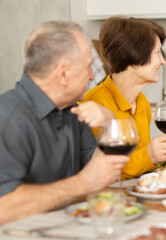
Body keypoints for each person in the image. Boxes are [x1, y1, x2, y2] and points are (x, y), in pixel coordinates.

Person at [0, 20, 129, 225]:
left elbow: (102, 172)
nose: (93, 75)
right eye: (88, 67)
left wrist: (109, 123)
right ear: (63, 74)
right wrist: (82, 183)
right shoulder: (8, 117)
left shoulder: (71, 109)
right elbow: (3, 207)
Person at [82, 17, 166, 180]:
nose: (163, 61)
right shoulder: (95, 103)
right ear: (135, 59)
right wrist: (150, 155)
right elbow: (110, 169)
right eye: (158, 53)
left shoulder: (141, 101)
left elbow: (143, 161)